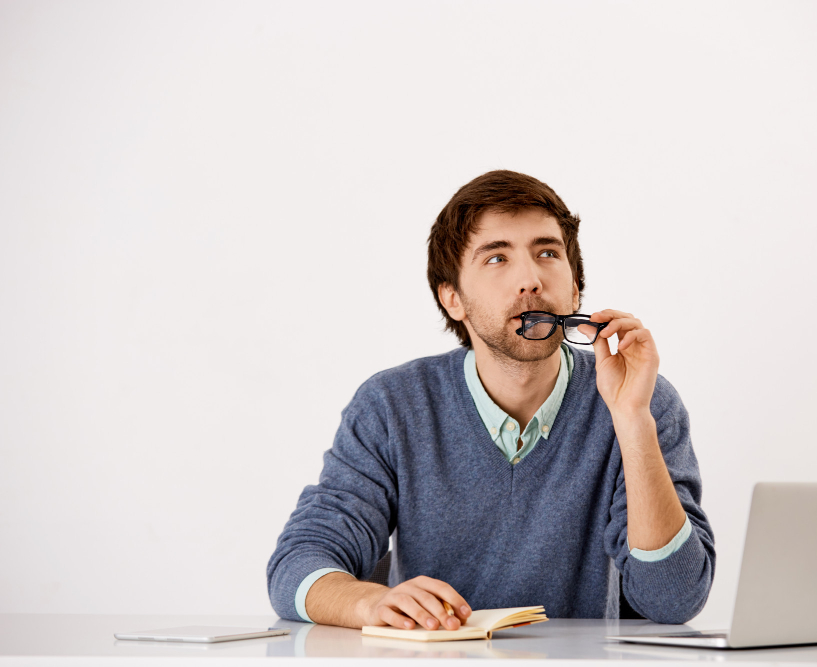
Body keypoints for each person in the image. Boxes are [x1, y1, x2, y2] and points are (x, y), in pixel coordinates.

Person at [266, 170, 715, 631]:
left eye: (547, 253)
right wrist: (367, 604)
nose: (531, 279)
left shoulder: (642, 400)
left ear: (576, 289)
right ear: (453, 299)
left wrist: (633, 422)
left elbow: (674, 600)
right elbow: (295, 568)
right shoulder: (392, 405)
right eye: (497, 258)